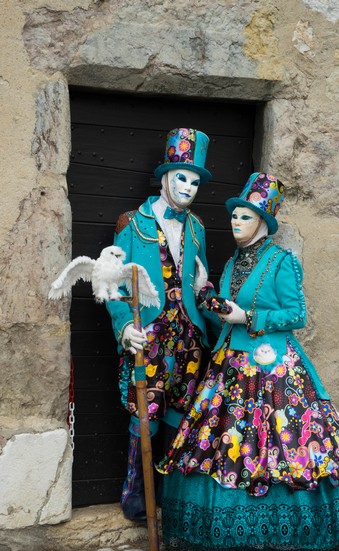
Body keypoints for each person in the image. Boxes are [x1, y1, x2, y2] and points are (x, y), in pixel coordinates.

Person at [158, 172, 339, 551]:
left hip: (273, 367)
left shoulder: (282, 261)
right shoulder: (231, 264)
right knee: (228, 442)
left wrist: (248, 318)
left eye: (245, 217)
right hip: (230, 365)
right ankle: (229, 530)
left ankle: (290, 530)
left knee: (283, 438)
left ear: (263, 222)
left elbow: (297, 314)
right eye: (233, 216)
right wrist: (205, 293)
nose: (235, 223)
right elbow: (225, 313)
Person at [106, 128, 217, 521]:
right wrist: (123, 326)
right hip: (149, 336)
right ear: (165, 177)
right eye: (181, 178)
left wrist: (208, 298)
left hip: (189, 338)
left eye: (195, 181)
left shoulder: (198, 228)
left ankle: (172, 497)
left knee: (181, 417)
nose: (188, 187)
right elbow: (112, 282)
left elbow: (199, 281)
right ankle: (138, 497)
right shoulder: (131, 223)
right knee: (145, 416)